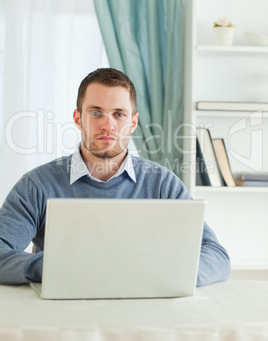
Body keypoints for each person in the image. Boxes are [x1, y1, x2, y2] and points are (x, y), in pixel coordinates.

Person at [0, 68, 231, 286]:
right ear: (78, 118)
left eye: (118, 114)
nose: (107, 125)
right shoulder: (37, 185)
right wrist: (52, 266)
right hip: (64, 315)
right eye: (96, 113)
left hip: (145, 313)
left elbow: (216, 255)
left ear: (133, 122)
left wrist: (168, 273)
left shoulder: (162, 184)